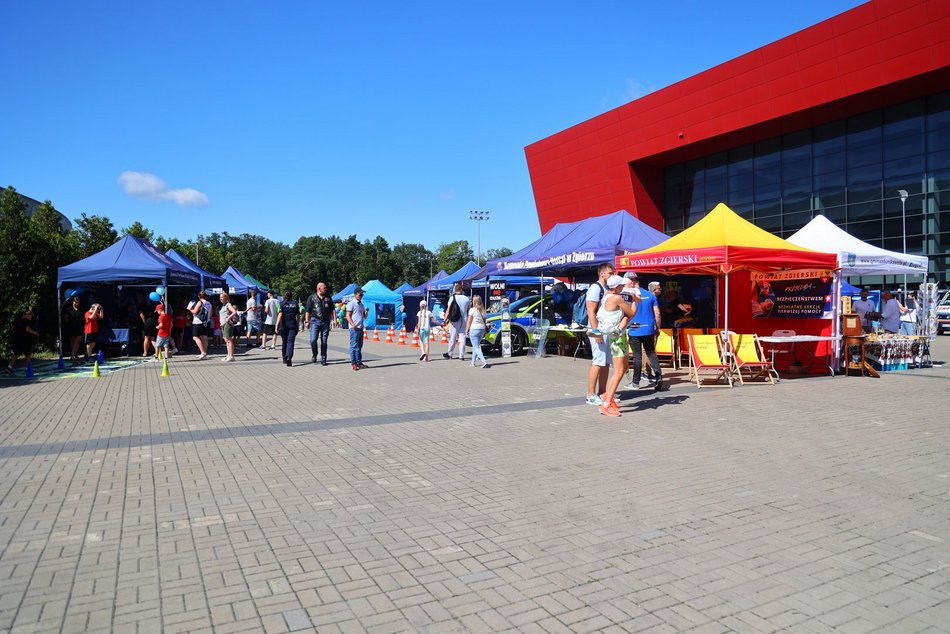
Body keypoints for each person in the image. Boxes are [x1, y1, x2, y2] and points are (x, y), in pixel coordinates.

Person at [597, 275, 639, 417]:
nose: (623, 287)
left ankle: (608, 397)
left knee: (623, 368)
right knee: (619, 371)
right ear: (616, 287)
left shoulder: (608, 295)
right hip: (617, 337)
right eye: (621, 285)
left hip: (616, 336)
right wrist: (634, 300)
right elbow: (632, 313)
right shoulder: (617, 298)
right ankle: (606, 405)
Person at [585, 263, 615, 406]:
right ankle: (590, 395)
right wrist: (596, 332)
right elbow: (590, 311)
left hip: (606, 330)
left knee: (605, 363)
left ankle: (602, 393)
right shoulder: (595, 288)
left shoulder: (607, 288)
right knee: (597, 361)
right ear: (602, 274)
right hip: (596, 330)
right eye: (610, 273)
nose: (612, 275)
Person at [626, 276, 663, 392]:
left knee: (637, 356)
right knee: (651, 353)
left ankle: (635, 382)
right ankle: (658, 378)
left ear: (633, 282)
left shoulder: (629, 296)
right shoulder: (651, 295)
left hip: (634, 329)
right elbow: (657, 314)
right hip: (649, 329)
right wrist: (657, 328)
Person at [306, 282, 334, 366]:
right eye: (324, 288)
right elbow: (308, 310)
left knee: (324, 341)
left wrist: (334, 319)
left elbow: (332, 309)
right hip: (315, 321)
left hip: (325, 321)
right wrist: (307, 321)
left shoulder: (328, 297)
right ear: (319, 289)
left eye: (326, 288)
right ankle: (315, 353)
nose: (326, 289)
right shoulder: (311, 297)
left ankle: (323, 358)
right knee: (313, 340)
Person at [442, 283, 471, 361]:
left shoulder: (452, 298)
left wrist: (445, 320)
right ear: (461, 290)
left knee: (453, 337)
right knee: (462, 338)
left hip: (455, 320)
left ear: (455, 290)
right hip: (464, 319)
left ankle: (449, 353)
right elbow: (469, 310)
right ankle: (461, 355)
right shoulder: (466, 299)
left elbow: (448, 310)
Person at [6, 308, 38, 375]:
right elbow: (27, 329)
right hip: (25, 339)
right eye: (29, 314)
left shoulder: (17, 320)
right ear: (25, 314)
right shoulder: (26, 321)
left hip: (17, 339)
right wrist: (35, 333)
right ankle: (28, 368)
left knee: (16, 353)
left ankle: (9, 367)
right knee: (27, 354)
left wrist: (17, 333)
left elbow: (12, 328)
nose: (31, 316)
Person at [346, 287, 369, 370]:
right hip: (354, 328)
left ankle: (359, 362)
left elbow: (364, 316)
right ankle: (354, 363)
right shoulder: (351, 303)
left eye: (362, 294)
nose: (361, 296)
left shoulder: (361, 304)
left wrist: (366, 311)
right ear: (355, 294)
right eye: (360, 294)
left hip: (360, 327)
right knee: (354, 345)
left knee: (359, 346)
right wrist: (353, 325)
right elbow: (347, 316)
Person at [274, 291, 299, 366]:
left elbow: (280, 315)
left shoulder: (282, 303)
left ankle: (284, 358)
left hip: (284, 325)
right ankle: (289, 358)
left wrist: (276, 325)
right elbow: (298, 315)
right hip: (292, 325)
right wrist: (297, 325)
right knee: (290, 342)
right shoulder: (295, 304)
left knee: (284, 342)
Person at [465, 295, 489, 368]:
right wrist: (484, 330)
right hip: (481, 329)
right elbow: (485, 321)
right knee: (476, 346)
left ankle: (484, 361)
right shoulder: (483, 310)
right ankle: (472, 362)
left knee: (476, 347)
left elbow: (469, 321)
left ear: (473, 301)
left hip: (474, 329)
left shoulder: (472, 310)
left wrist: (467, 330)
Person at [188, 291, 212, 360]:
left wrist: (190, 309)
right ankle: (204, 352)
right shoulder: (209, 303)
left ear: (199, 296)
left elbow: (195, 312)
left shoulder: (200, 302)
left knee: (195, 337)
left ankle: (202, 352)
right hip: (206, 322)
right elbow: (210, 314)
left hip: (198, 322)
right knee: (204, 337)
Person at [62, 295, 84, 364]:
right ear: (73, 302)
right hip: (71, 327)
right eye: (75, 302)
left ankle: (72, 355)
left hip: (80, 327)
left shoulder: (81, 309)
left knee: (78, 341)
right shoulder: (69, 309)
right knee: (72, 341)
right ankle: (75, 354)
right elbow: (66, 318)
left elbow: (83, 318)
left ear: (79, 302)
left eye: (77, 302)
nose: (76, 303)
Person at [219, 292, 238, 362]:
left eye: (222, 297)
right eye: (220, 297)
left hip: (228, 324)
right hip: (223, 324)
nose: (220, 299)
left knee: (229, 340)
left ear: (226, 298)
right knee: (226, 340)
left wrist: (228, 318)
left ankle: (231, 356)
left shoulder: (228, 304)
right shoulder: (223, 305)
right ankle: (228, 355)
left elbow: (234, 311)